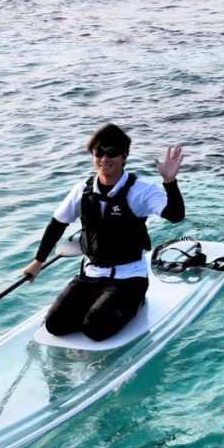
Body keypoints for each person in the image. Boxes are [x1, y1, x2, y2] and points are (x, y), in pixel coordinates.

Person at [22, 123, 186, 341]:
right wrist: (38, 262)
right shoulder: (82, 190)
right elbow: (57, 224)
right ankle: (98, 304)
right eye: (99, 152)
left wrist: (170, 182)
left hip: (129, 278)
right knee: (55, 325)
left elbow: (174, 215)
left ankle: (136, 302)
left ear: (124, 156)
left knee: (94, 329)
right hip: (90, 275)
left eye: (112, 153)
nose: (104, 159)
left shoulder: (140, 191)